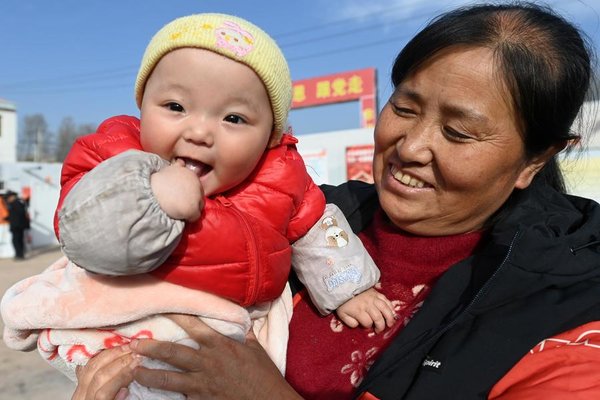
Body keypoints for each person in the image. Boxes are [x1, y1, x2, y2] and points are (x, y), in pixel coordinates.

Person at [69, 2, 600, 400]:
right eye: (406, 108)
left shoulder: (569, 309)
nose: (410, 147)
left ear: (535, 158)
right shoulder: (306, 219)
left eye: (459, 132)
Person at [1, 13, 394, 399]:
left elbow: (319, 229)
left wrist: (348, 288)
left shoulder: (282, 177)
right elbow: (84, 231)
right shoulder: (115, 154)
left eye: (234, 117)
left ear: (271, 137)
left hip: (226, 327)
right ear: (142, 105)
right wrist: (152, 198)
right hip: (118, 319)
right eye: (175, 107)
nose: (200, 131)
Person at [3, 190, 30, 260]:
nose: (8, 199)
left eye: (9, 197)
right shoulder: (18, 203)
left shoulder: (15, 203)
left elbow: (19, 214)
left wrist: (10, 219)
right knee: (19, 240)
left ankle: (19, 255)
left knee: (16, 240)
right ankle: (20, 254)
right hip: (18, 225)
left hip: (17, 225)